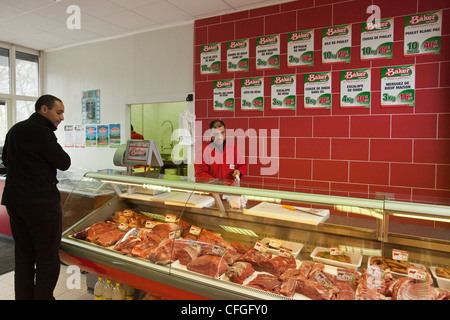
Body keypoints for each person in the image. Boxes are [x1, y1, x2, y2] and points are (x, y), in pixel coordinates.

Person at [1, 94, 71, 300]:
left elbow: (6, 159)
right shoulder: (42, 131)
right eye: (59, 112)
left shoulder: (16, 129)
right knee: (47, 258)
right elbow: (64, 161)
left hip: (15, 202)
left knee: (23, 256)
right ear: (43, 109)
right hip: (40, 204)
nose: (62, 117)